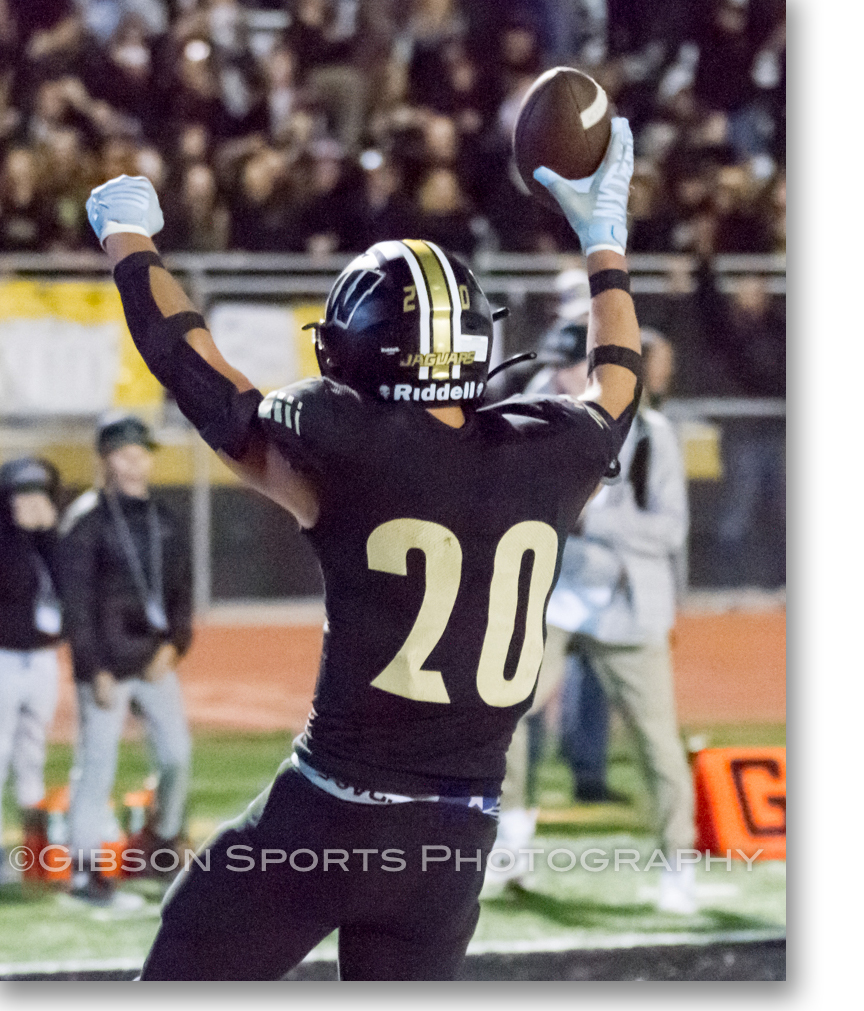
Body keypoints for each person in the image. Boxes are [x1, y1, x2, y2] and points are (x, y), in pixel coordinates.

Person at [83, 115, 642, 980]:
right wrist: (605, 242)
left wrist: (130, 244)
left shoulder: (345, 448)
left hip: (331, 815)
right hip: (455, 842)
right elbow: (620, 383)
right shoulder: (557, 451)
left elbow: (200, 378)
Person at [492, 323, 695, 913]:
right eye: (553, 369)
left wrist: (589, 521)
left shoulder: (652, 435)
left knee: (657, 742)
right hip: (554, 599)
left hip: (627, 608)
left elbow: (669, 530)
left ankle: (677, 863)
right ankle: (512, 841)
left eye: (569, 368)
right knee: (503, 716)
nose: (557, 379)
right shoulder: (539, 420)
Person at [57, 412, 193, 904]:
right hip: (108, 670)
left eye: (141, 454)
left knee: (177, 757)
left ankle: (160, 840)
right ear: (106, 459)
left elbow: (182, 590)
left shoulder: (163, 517)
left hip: (155, 659)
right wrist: (94, 669)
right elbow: (76, 606)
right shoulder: (85, 521)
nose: (134, 464)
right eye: (123, 454)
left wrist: (176, 644)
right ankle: (85, 869)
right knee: (97, 766)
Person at [0, 457, 64, 890]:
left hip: (41, 659)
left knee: (32, 755)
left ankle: (34, 854)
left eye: (39, 493)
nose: (32, 502)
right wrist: (22, 533)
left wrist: (47, 535)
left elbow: (67, 587)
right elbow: (12, 583)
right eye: (23, 493)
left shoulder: (49, 539)